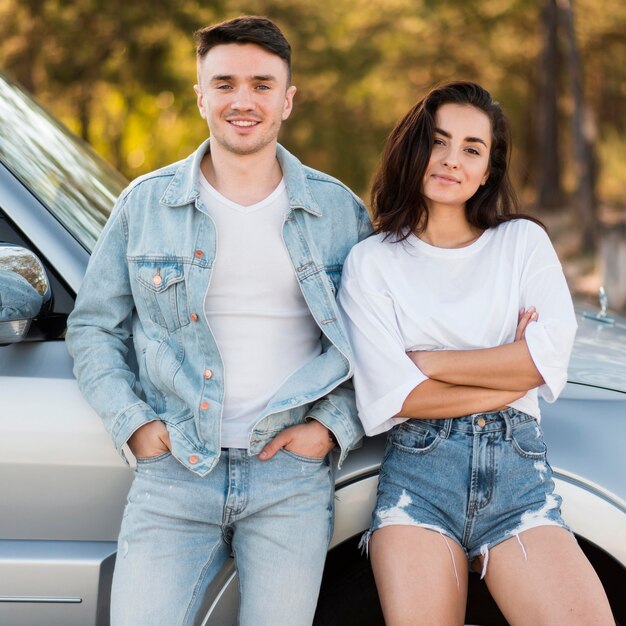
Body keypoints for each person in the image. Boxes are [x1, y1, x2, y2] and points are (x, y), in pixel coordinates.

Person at [66, 15, 371, 626]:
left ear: (288, 100)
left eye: (262, 85)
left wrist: (333, 429)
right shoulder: (146, 203)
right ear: (201, 95)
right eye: (225, 83)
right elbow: (93, 326)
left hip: (289, 476)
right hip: (176, 469)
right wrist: (134, 425)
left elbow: (376, 339)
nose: (243, 101)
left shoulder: (338, 210)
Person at [338, 81, 614, 625]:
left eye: (471, 148)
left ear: (488, 169)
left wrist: (431, 361)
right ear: (413, 149)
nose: (451, 160)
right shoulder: (372, 262)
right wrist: (509, 369)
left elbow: (542, 362)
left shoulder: (521, 243)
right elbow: (399, 397)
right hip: (420, 485)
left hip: (520, 484)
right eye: (438, 142)